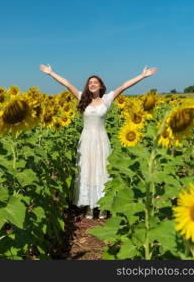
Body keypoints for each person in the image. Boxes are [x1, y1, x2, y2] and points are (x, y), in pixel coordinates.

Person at [39, 64, 158, 219]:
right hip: (87, 140)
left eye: (95, 82)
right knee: (87, 170)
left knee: (101, 170)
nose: (92, 84)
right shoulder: (82, 97)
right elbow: (67, 84)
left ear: (101, 85)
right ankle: (89, 205)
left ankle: (102, 206)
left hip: (101, 140)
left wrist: (142, 76)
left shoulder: (107, 99)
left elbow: (124, 86)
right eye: (90, 83)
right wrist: (51, 73)